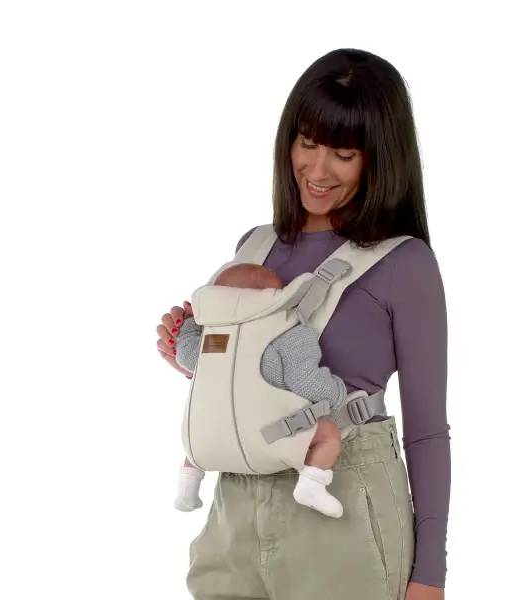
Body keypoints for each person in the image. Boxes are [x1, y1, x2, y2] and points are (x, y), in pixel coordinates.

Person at [157, 48, 450, 600]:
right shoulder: (254, 246)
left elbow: (427, 429)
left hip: (346, 507)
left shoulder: (405, 264)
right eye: (307, 143)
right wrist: (194, 356)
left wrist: (430, 573)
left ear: (379, 158)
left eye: (343, 153)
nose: (317, 169)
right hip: (234, 513)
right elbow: (256, 378)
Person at [172, 262, 347, 518]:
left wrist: (189, 325)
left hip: (205, 443)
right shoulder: (285, 330)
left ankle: (187, 485)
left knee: (202, 429)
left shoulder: (214, 336)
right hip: (268, 438)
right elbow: (305, 380)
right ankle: (312, 484)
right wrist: (337, 394)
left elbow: (185, 356)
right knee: (328, 434)